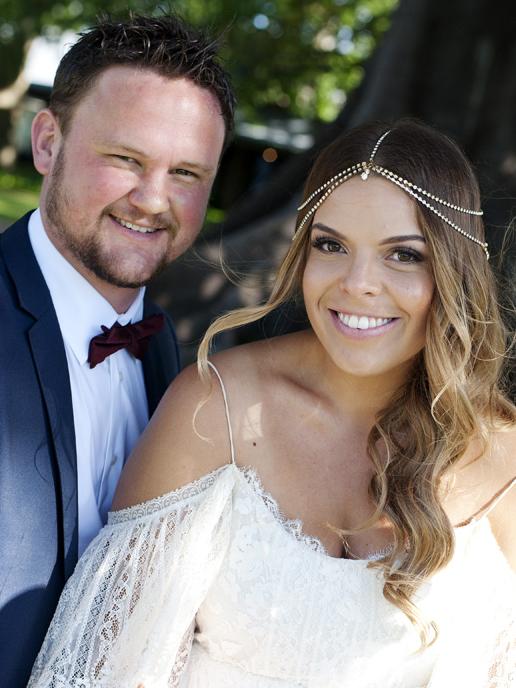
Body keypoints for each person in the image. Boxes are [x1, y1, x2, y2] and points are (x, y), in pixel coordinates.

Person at [28, 120, 515, 688]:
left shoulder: (502, 457)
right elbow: (100, 665)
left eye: (403, 256)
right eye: (330, 245)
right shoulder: (217, 406)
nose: (358, 283)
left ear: (453, 271)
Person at [0, 13, 235, 687]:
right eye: (126, 159)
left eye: (187, 172)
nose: (154, 199)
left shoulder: (176, 366)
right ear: (48, 142)